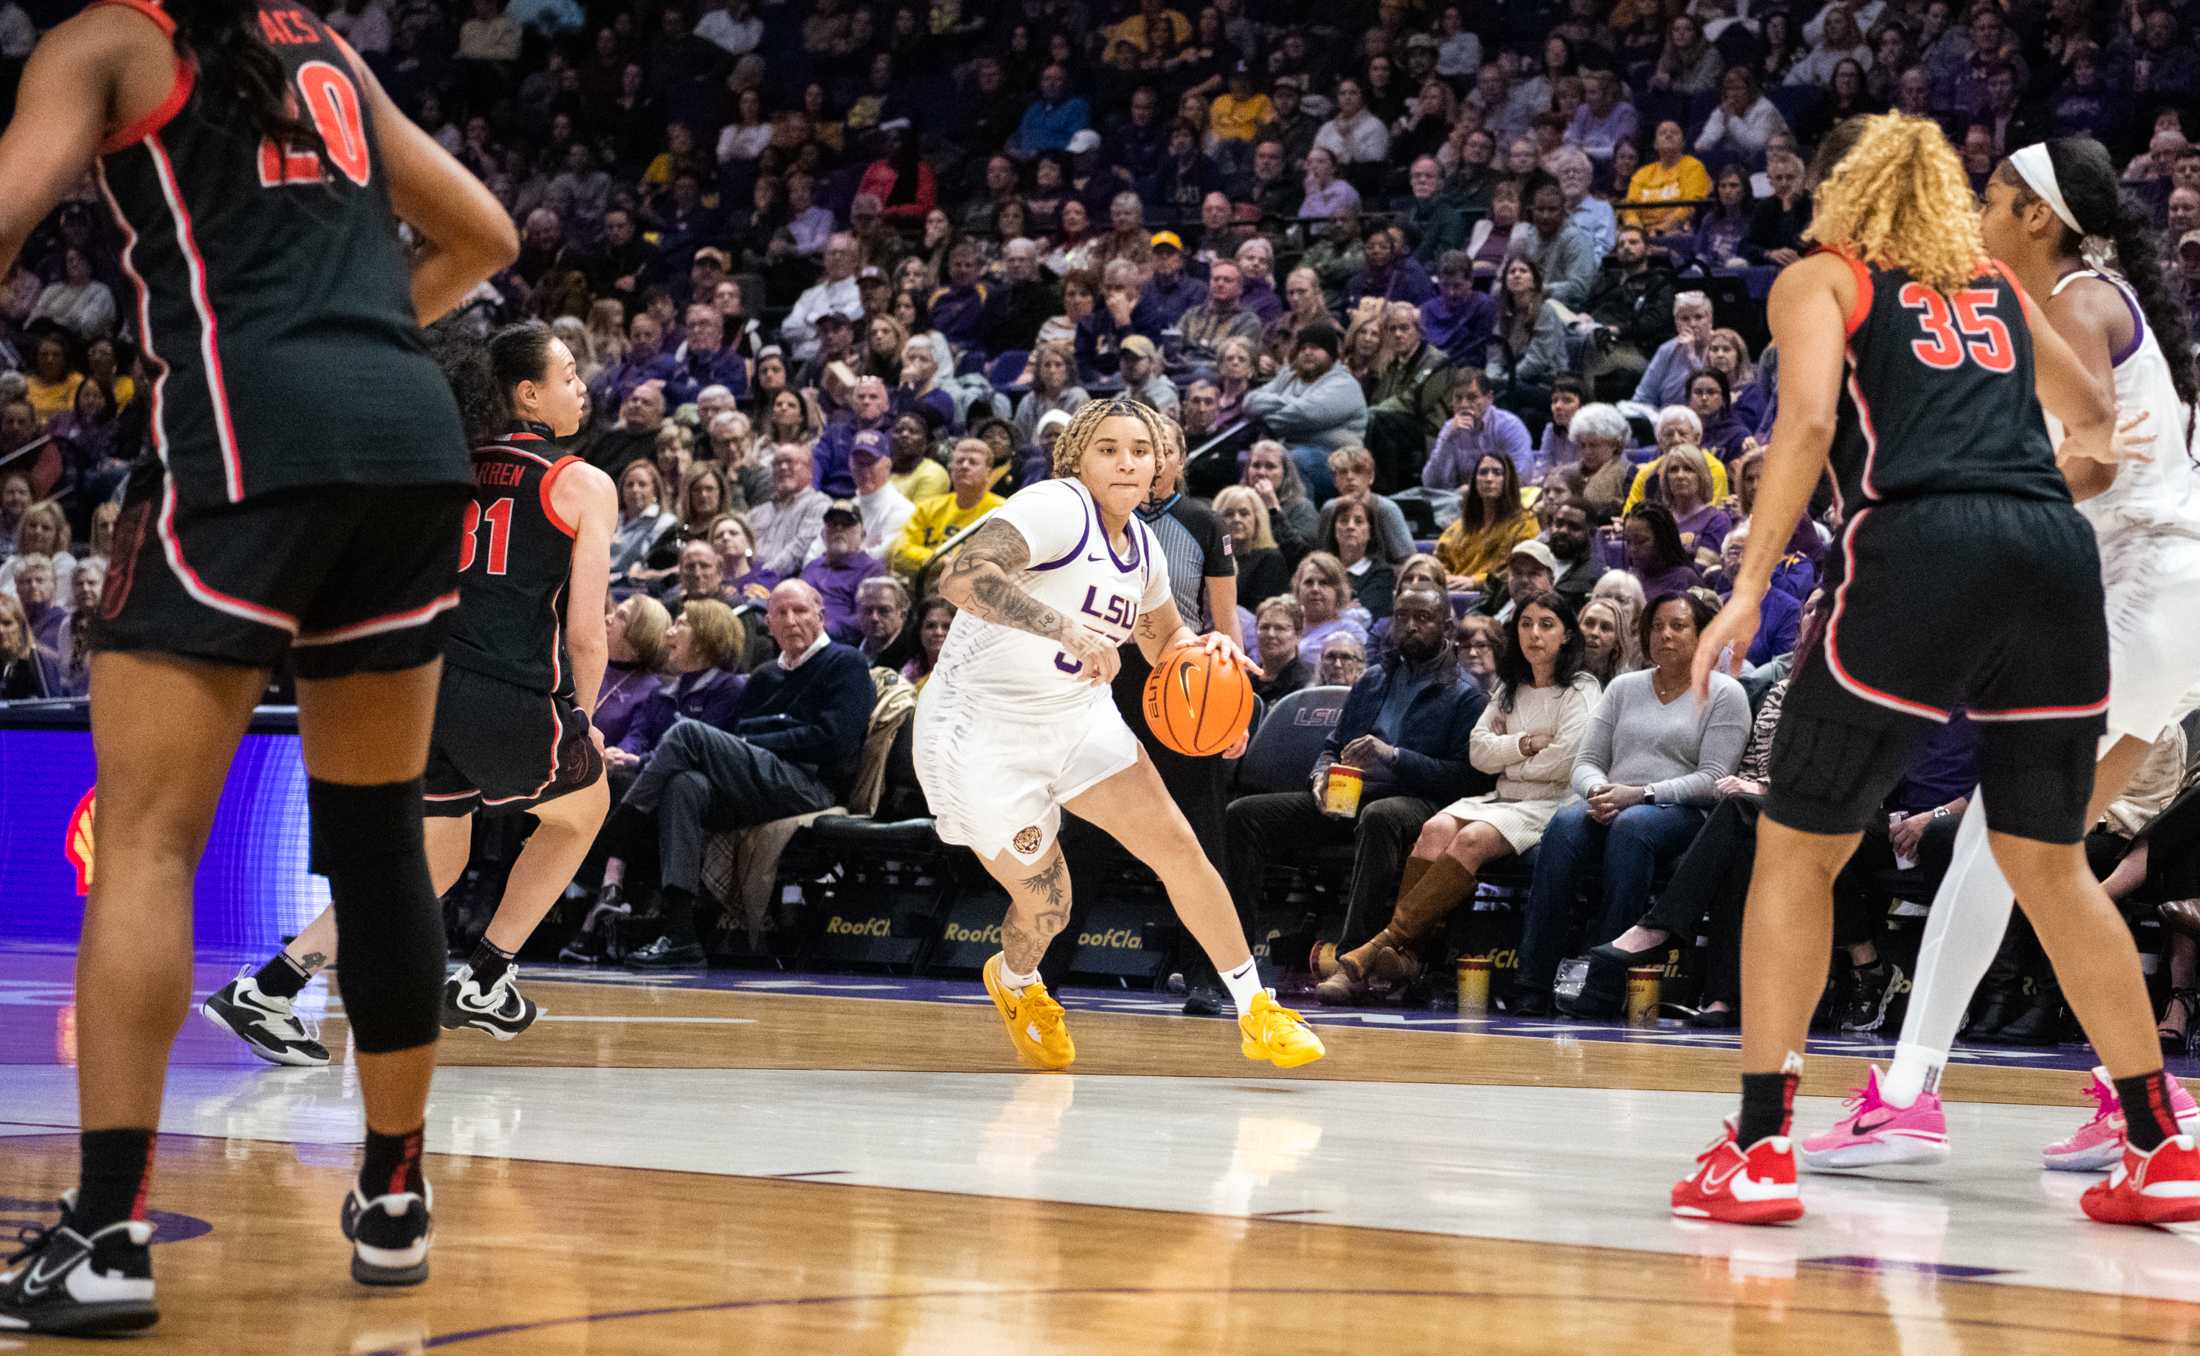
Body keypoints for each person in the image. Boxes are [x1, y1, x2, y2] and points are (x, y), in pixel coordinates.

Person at [0, 0, 520, 1328]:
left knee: (154, 839)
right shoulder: (322, 45)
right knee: (379, 832)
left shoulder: (109, 39)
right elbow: (488, 238)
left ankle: (107, 1232)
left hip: (243, 440)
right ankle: (395, 1192)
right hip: (408, 437)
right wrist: (349, 348)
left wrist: (279, 363)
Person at [1674, 114, 2194, 1228]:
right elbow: (2097, 417)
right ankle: (2158, 1143)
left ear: (1836, 191)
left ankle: (1760, 1145)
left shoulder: (1823, 278)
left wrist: (1751, 584)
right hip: (2052, 557)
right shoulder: (1995, 287)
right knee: (2047, 862)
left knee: (1795, 849)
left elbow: (1810, 421)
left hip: (1918, 548)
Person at [1807, 135, 2200, 1174]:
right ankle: (2146, 1105)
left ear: (2036, 214)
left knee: (2001, 843)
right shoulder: (2081, 302)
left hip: (2147, 594)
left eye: (1991, 196)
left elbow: (2069, 474)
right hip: (2152, 607)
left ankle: (1908, 1094)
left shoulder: (2075, 299)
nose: (1977, 211)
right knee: (2042, 860)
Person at [206, 322, 615, 1064]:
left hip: (417, 687)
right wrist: (581, 721)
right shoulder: (581, 482)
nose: (580, 385)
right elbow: (588, 634)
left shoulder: (444, 465)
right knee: (586, 808)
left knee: (433, 860)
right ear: (527, 394)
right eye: (567, 373)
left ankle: (269, 987)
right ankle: (489, 977)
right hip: (507, 690)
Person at [917, 397, 1324, 1069]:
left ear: (1162, 462)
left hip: (1075, 714)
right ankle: (1016, 982)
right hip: (979, 729)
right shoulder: (1054, 507)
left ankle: (1257, 1010)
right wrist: (1061, 627)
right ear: (1077, 455)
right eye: (1108, 448)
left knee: (1179, 845)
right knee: (1047, 905)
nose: (1127, 461)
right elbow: (961, 575)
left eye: (1140, 449)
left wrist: (1212, 667)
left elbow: (1167, 640)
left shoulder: (1142, 550)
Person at [1316, 592, 1599, 1002]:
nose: (1534, 634)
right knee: (1434, 829)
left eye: (1546, 625)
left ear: (1567, 635)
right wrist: (1525, 746)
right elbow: (1479, 753)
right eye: (1525, 624)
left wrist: (1508, 754)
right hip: (1502, 796)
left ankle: (1380, 946)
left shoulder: (1582, 689)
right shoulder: (1508, 687)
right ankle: (1408, 956)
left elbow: (1566, 762)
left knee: (1468, 839)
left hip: (1551, 802)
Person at [1227, 583, 1489, 987]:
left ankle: (1352, 964)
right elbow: (1333, 745)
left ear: (1447, 628)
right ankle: (1233, 958)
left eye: (1423, 618)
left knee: (1380, 816)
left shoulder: (1466, 695)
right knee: (1244, 815)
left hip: (1419, 802)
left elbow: (1463, 779)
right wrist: (1321, 774)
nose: (1411, 626)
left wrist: (1393, 755)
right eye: (1403, 617)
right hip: (1351, 795)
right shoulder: (1373, 679)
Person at [1512, 591, 1749, 1017]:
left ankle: (1605, 985)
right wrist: (1598, 791)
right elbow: (1586, 762)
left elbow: (1714, 780)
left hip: (1684, 813)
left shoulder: (1726, 694)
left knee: (1633, 828)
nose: (1666, 635)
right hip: (1614, 802)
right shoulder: (1624, 688)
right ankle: (1532, 980)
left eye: (1678, 626)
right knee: (1564, 826)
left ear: (1703, 636)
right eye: (1657, 626)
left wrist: (1640, 794)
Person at [1435, 452, 1537, 593]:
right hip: (1452, 592)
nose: (1489, 479)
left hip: (1495, 596)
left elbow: (1523, 568)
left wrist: (1476, 582)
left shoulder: (1525, 523)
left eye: (1497, 473)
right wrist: (1444, 577)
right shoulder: (1460, 525)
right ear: (1475, 480)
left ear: (1508, 479)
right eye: (1483, 472)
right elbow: (1439, 560)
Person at [1213, 484, 1288, 609]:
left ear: (1257, 519)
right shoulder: (1213, 559)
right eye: (1229, 514)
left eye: (1244, 513)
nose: (1236, 519)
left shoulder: (1271, 559)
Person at [1248, 595, 1310, 700]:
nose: (1270, 634)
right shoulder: (1245, 681)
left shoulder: (1307, 685)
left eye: (1280, 628)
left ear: (1298, 635)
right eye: (1264, 627)